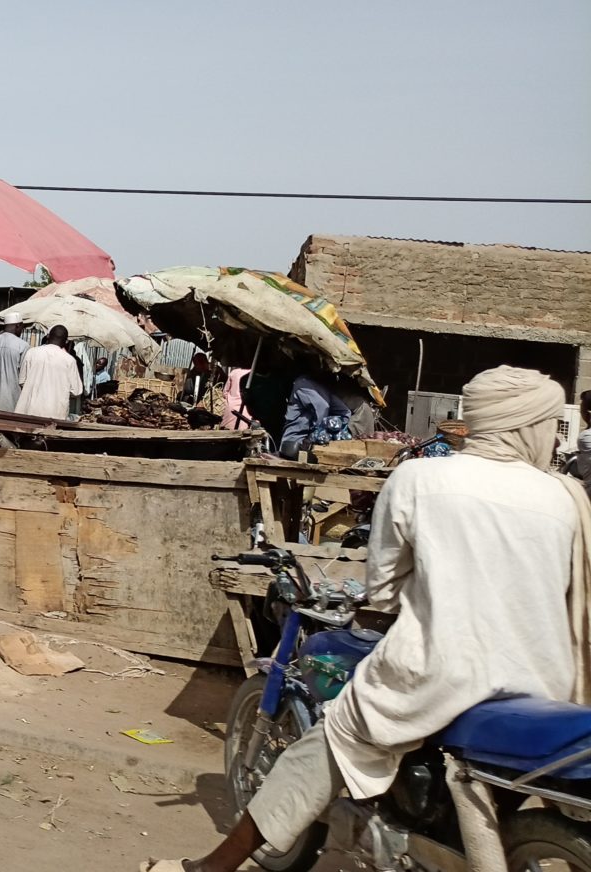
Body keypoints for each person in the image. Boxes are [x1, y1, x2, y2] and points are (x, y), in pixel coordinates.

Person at [144, 365, 590, 872]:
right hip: (544, 679)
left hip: (443, 675)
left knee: (331, 740)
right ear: (533, 425)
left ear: (475, 419)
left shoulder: (423, 477)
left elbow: (382, 587)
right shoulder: (563, 495)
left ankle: (213, 867)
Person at [14, 324, 83, 420]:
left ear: (48, 336)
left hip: (29, 410)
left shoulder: (31, 353)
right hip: (54, 414)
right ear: (66, 341)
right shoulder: (69, 360)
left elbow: (22, 381)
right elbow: (76, 391)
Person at [277, 374, 352, 459]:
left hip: (303, 444)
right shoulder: (310, 385)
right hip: (300, 444)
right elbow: (339, 411)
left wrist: (323, 432)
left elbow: (338, 410)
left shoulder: (310, 385)